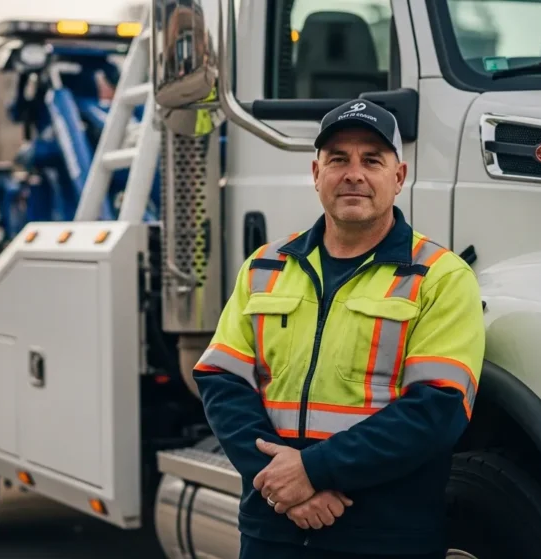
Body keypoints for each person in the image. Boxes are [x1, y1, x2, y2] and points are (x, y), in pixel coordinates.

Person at [192, 99, 485, 558]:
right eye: (338, 160)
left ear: (399, 176)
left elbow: (438, 408)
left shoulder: (440, 276)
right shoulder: (266, 266)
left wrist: (315, 471)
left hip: (384, 537)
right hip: (273, 530)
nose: (354, 173)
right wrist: (281, 486)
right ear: (316, 173)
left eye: (372, 160)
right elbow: (222, 382)